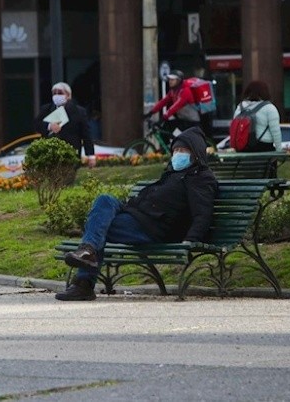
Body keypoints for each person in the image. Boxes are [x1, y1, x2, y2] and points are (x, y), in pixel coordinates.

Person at [55, 126, 218, 301]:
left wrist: (191, 240)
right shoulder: (172, 175)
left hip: (153, 228)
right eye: (176, 150)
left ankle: (84, 281)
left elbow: (203, 212)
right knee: (104, 200)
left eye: (183, 150)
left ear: (196, 153)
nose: (178, 154)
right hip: (137, 218)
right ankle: (87, 254)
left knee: (97, 228)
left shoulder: (200, 178)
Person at [35, 82, 96, 168]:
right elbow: (37, 125)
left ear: (68, 95)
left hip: (71, 155)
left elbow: (86, 134)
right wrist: (49, 126)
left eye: (60, 93)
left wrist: (91, 156)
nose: (56, 95)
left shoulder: (79, 111)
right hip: (50, 156)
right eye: (54, 93)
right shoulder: (46, 109)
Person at [234, 80, 282, 152]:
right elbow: (275, 131)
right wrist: (279, 150)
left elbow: (235, 127)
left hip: (243, 146)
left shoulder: (240, 107)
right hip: (264, 146)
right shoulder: (269, 107)